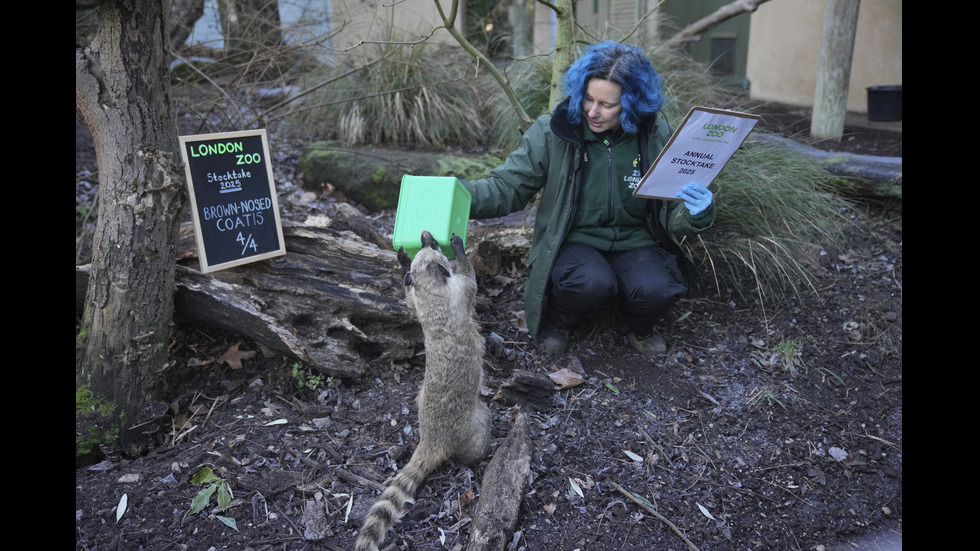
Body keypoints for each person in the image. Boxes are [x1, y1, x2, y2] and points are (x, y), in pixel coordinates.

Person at [458, 41, 716, 359]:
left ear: (633, 105)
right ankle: (559, 321)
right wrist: (453, 196)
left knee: (658, 287)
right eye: (589, 99)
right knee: (590, 282)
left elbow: (675, 208)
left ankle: (637, 324)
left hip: (636, 242)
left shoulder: (657, 135)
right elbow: (506, 188)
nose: (592, 111)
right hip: (574, 242)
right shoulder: (553, 133)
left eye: (607, 105)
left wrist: (698, 210)